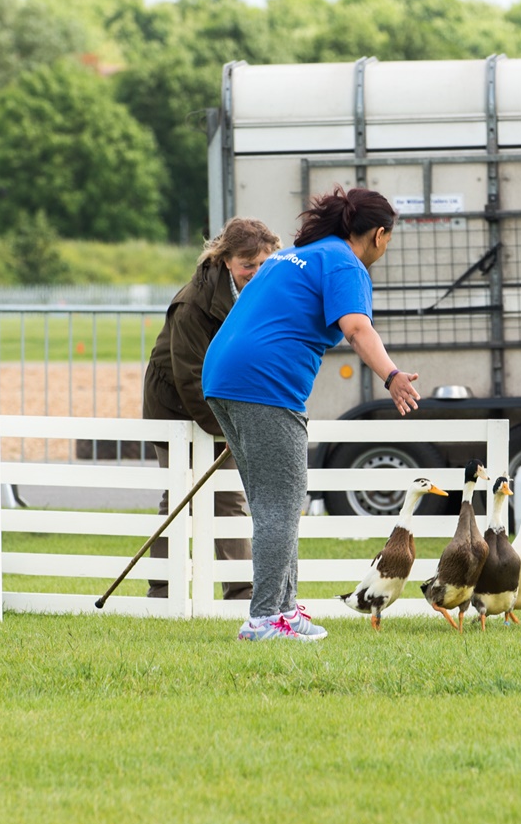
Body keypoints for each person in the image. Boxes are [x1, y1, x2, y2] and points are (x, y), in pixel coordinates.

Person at [203, 185, 423, 641]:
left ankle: (284, 609)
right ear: (379, 235)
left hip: (223, 376)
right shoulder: (344, 263)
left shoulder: (293, 257)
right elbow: (357, 328)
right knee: (281, 506)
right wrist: (392, 375)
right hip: (265, 384)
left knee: (273, 504)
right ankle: (264, 618)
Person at [143, 216, 281, 601]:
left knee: (228, 497)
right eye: (246, 264)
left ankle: (240, 591)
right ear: (225, 261)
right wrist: (230, 431)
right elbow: (189, 379)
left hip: (225, 399)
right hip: (175, 404)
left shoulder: (266, 291)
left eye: (262, 264)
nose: (255, 272)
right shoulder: (191, 306)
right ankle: (163, 590)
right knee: (179, 496)